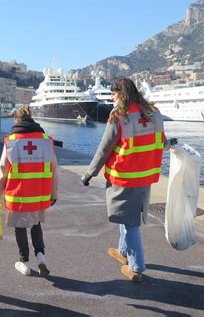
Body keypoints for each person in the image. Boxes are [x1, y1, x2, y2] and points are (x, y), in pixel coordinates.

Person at [80, 77, 177, 282]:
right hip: (146, 176)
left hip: (124, 177)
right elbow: (160, 142)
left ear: (121, 94)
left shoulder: (119, 116)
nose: (112, 98)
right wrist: (172, 144)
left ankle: (136, 267)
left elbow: (104, 148)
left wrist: (90, 173)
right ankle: (123, 252)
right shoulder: (154, 112)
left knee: (129, 222)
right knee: (128, 217)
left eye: (113, 94)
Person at [0, 105, 59, 276]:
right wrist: (53, 194)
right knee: (36, 225)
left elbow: (2, 171)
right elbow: (54, 170)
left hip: (18, 196)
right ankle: (41, 257)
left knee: (20, 228)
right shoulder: (46, 140)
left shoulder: (12, 142)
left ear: (16, 120)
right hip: (40, 195)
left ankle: (24, 262)